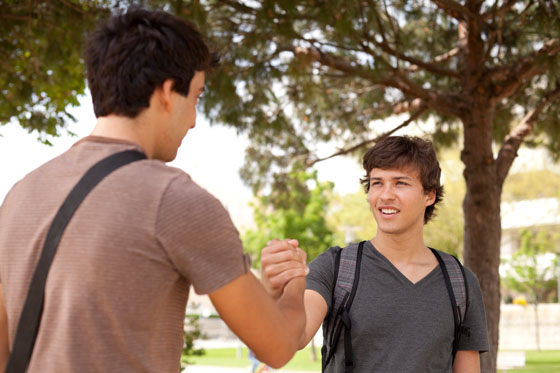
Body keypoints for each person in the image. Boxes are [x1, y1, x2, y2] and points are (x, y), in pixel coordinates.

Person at [0, 8, 308, 372]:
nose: (194, 120)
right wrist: (295, 286)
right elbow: (276, 347)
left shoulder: (21, 193)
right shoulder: (174, 199)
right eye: (195, 98)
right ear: (166, 93)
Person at [261, 136, 489, 372]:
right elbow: (293, 338)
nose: (385, 195)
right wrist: (278, 290)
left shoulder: (461, 283)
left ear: (429, 195)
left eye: (400, 183)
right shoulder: (336, 267)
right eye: (377, 183)